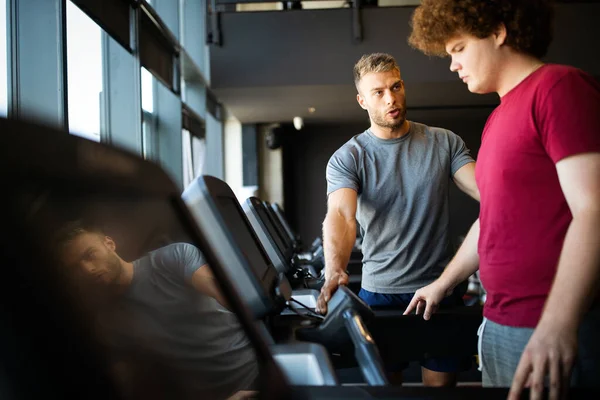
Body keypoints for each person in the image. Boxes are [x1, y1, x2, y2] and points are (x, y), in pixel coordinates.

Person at [406, 1, 600, 398]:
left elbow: (594, 209)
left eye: (458, 48)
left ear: (497, 31)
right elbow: (491, 220)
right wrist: (441, 284)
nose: (452, 64)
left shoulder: (559, 87)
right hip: (499, 321)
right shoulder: (498, 116)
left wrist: (557, 324)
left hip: (548, 326)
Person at [315, 52, 480, 386]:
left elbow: (488, 192)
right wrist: (334, 269)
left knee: (441, 392)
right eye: (378, 92)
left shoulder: (443, 142)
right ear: (362, 100)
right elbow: (342, 216)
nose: (391, 98)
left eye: (396, 86)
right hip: (381, 296)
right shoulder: (350, 157)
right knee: (387, 392)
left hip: (439, 291)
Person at [55, 221, 259, 400]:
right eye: (75, 268)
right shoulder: (107, 321)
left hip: (258, 369)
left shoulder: (173, 257)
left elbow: (225, 293)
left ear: (109, 244)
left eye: (90, 255)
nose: (87, 270)